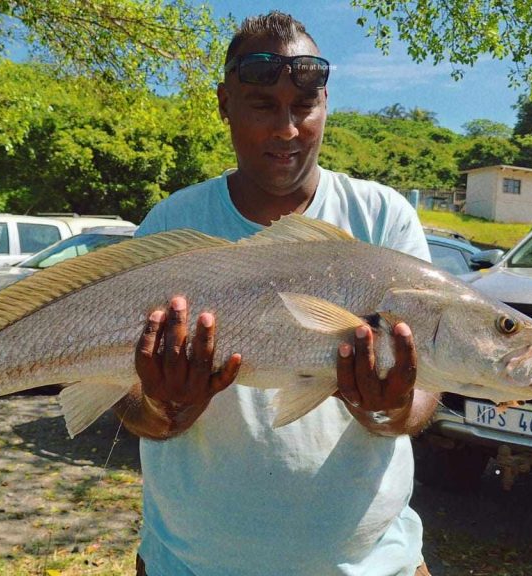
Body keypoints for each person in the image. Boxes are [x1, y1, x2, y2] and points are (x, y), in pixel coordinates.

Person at [112, 11, 439, 575]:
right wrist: (169, 405)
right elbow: (129, 407)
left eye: (304, 106)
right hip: (187, 565)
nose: (286, 129)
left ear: (326, 106)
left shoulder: (382, 217)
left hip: (374, 566)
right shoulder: (171, 223)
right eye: (262, 106)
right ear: (224, 104)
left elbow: (422, 397)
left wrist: (390, 408)